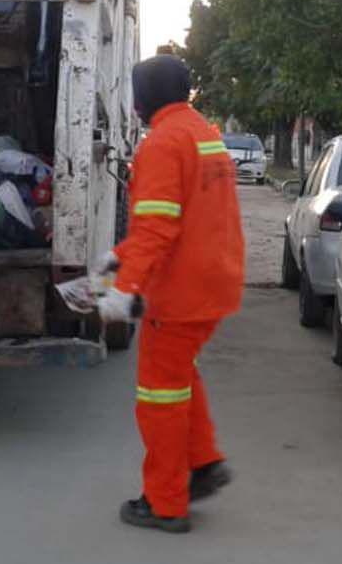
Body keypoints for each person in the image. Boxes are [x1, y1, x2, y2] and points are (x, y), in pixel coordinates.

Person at [95, 54, 245, 533]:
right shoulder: (204, 133)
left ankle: (164, 503)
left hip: (181, 292)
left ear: (143, 99)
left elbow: (157, 227)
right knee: (181, 376)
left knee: (158, 395)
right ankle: (203, 464)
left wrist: (122, 288)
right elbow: (181, 218)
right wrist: (121, 259)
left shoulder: (162, 143)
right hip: (213, 281)